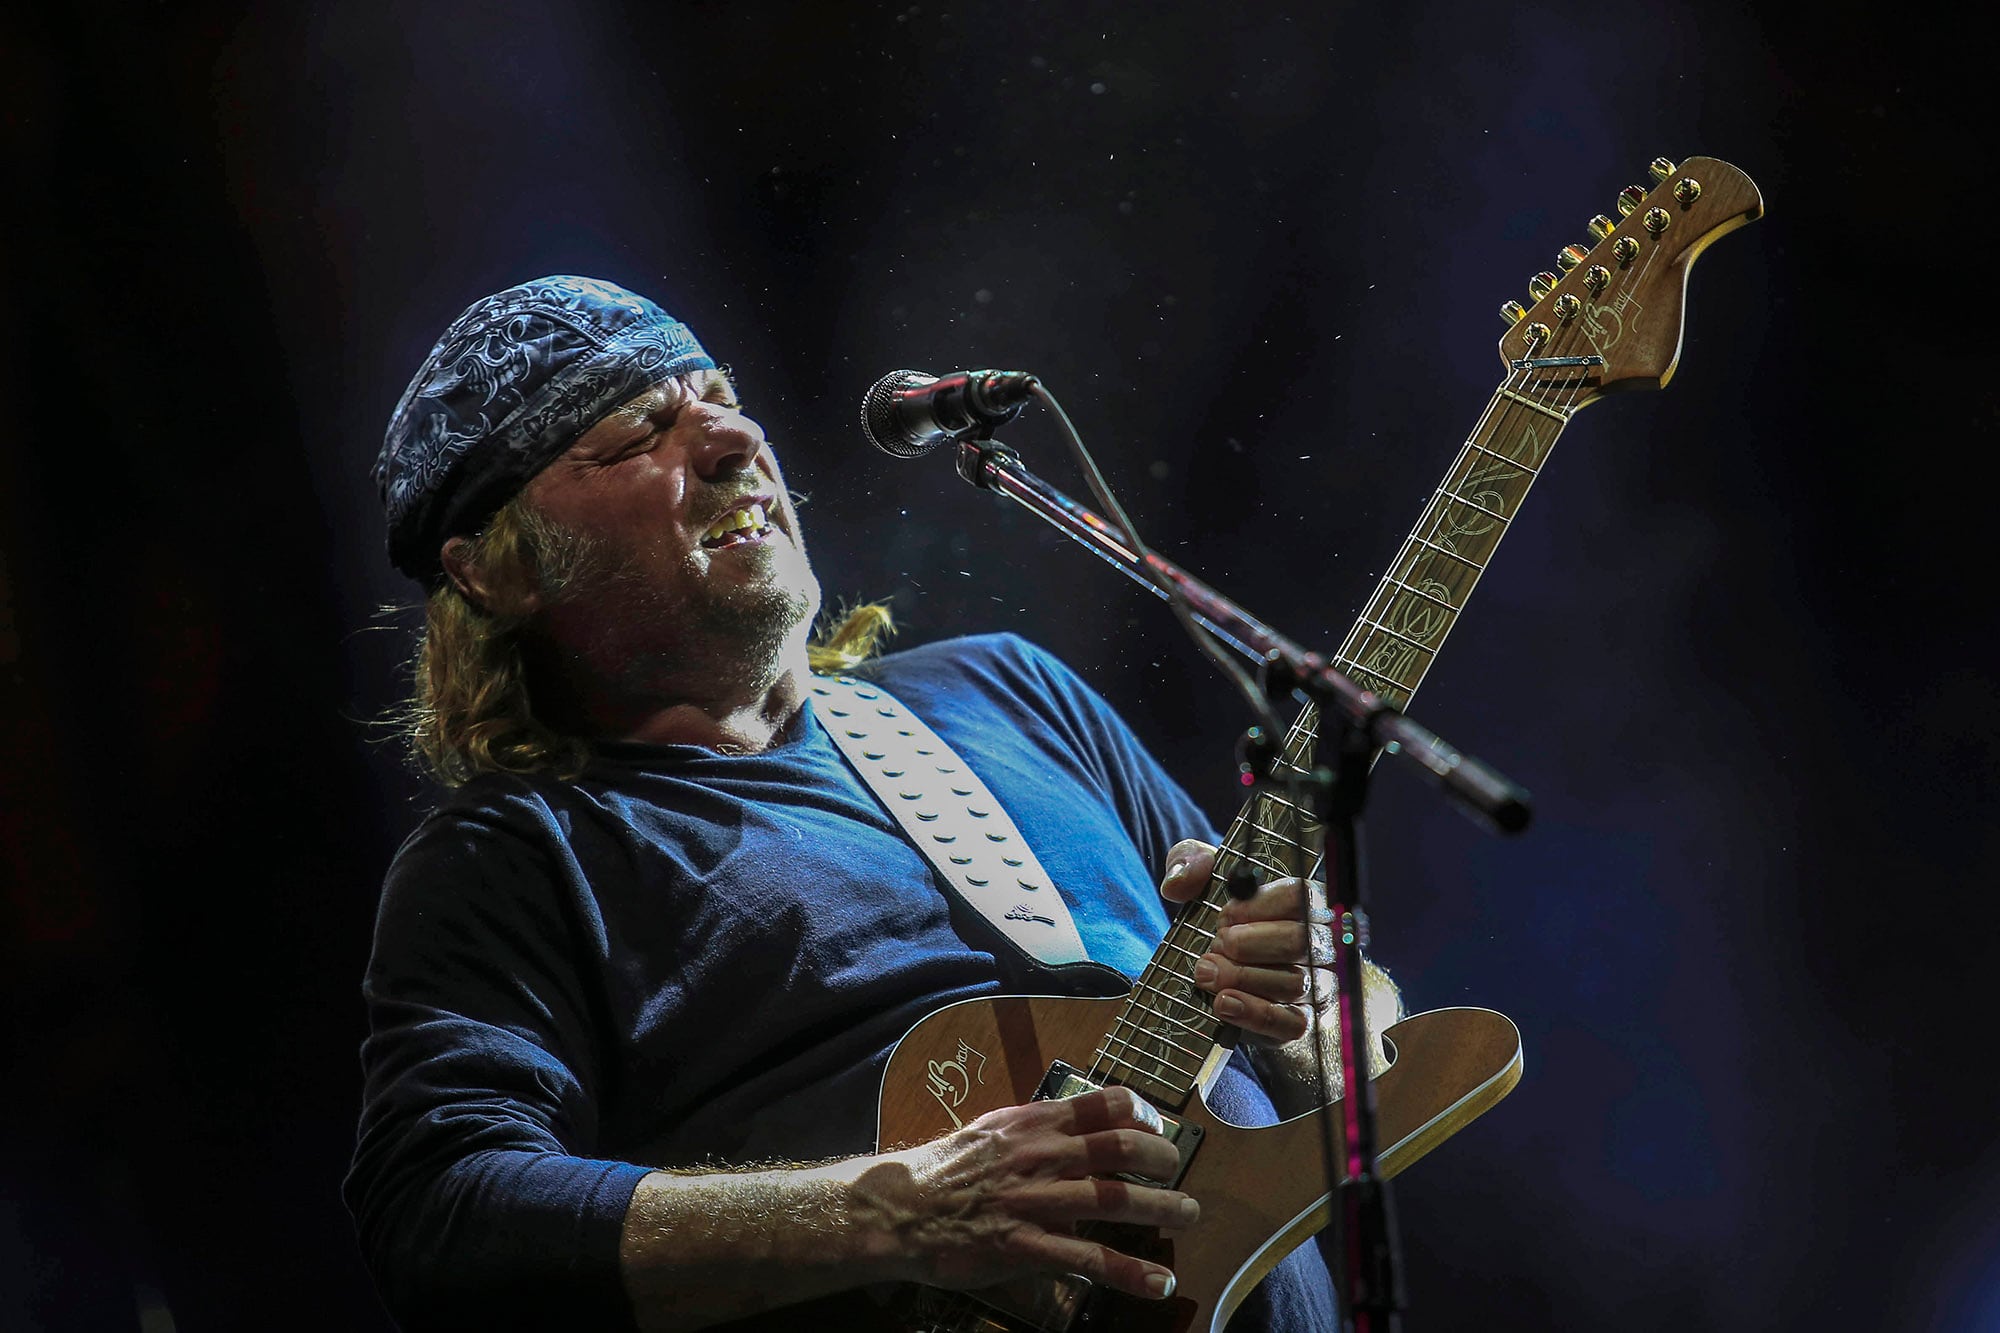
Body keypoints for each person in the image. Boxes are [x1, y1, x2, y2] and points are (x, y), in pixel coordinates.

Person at [345, 275, 1402, 1332]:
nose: (732, 438)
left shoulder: (1008, 688)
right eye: (634, 435)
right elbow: (442, 1217)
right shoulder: (513, 854)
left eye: (722, 396)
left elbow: (1335, 1059)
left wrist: (1315, 1013)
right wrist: (904, 1212)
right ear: (495, 572)